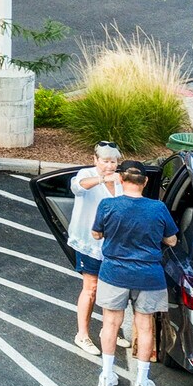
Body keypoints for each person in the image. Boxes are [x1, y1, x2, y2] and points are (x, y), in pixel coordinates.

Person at [92, 161, 178, 386]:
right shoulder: (158, 208)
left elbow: (96, 233)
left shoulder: (108, 205)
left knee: (110, 324)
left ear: (121, 179)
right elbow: (171, 240)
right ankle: (142, 381)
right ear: (146, 182)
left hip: (114, 273)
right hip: (149, 275)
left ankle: (107, 376)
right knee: (145, 325)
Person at [67, 142, 129, 354]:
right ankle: (82, 335)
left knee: (111, 288)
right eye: (105, 161)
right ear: (95, 160)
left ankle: (108, 330)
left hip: (113, 245)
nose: (109, 166)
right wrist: (103, 178)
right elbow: (78, 186)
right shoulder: (87, 174)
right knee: (91, 287)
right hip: (89, 243)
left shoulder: (121, 180)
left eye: (113, 162)